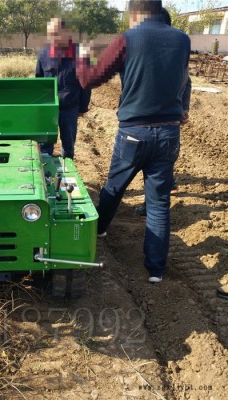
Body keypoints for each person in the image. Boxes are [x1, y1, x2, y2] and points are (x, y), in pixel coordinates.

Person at [77, 0, 191, 283]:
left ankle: (99, 230)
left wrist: (82, 57)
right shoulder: (182, 40)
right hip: (168, 132)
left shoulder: (126, 39)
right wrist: (183, 107)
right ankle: (156, 271)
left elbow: (90, 80)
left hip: (133, 132)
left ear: (135, 13)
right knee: (158, 202)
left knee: (115, 187)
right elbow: (184, 80)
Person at [134, 6, 192, 218]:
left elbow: (188, 81)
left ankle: (154, 203)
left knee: (153, 167)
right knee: (159, 166)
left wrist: (184, 108)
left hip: (151, 124)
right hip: (166, 124)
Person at [36, 17, 91, 159]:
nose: (52, 38)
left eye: (55, 34)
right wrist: (40, 107)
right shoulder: (44, 54)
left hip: (70, 108)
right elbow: (39, 81)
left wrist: (82, 108)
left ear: (66, 32)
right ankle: (46, 174)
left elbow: (86, 84)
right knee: (45, 146)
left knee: (68, 145)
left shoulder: (80, 53)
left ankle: (66, 172)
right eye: (50, 34)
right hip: (49, 109)